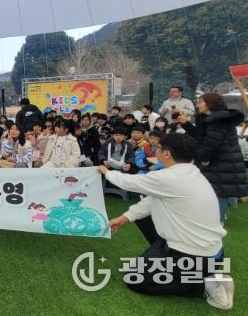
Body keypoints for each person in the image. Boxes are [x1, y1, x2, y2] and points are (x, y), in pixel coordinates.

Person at [100, 134, 232, 309]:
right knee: (142, 218)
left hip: (195, 256)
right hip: (209, 252)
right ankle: (176, 262)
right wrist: (123, 218)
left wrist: (106, 172)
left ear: (167, 153)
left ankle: (207, 285)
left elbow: (128, 182)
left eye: (158, 147)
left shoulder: (169, 177)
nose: (156, 150)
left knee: (134, 279)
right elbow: (153, 200)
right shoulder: (192, 172)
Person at [192, 92, 247, 224]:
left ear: (210, 104)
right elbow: (201, 137)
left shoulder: (217, 120)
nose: (198, 105)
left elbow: (211, 142)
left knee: (218, 192)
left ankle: (218, 221)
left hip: (221, 160)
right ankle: (218, 218)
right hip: (223, 159)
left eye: (201, 102)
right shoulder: (215, 118)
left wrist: (204, 158)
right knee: (216, 191)